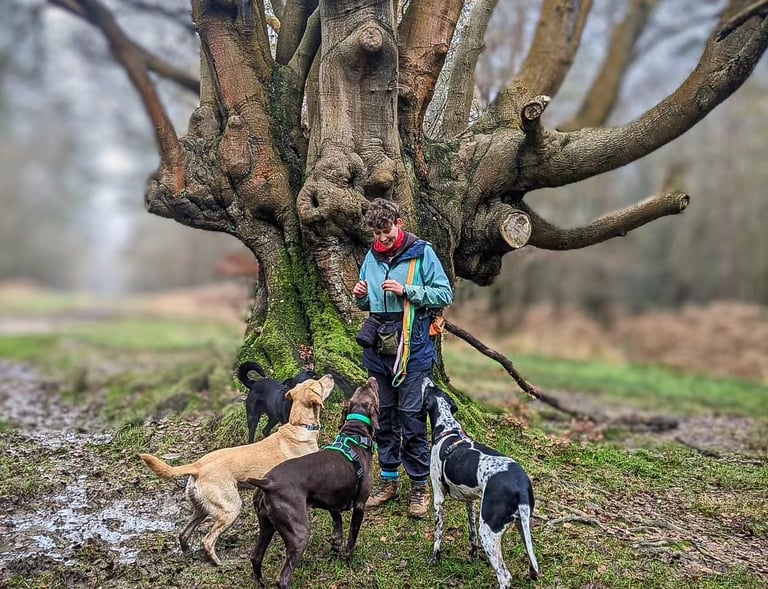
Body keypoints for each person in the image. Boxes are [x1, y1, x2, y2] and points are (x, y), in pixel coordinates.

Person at [352, 198, 453, 518]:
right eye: (376, 232)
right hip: (378, 349)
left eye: (386, 230)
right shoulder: (371, 255)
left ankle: (420, 486)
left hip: (414, 347)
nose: (381, 237)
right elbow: (368, 305)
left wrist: (408, 289)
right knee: (385, 419)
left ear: (399, 224)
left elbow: (444, 293)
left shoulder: (421, 252)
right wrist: (362, 297)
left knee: (411, 419)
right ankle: (388, 480)